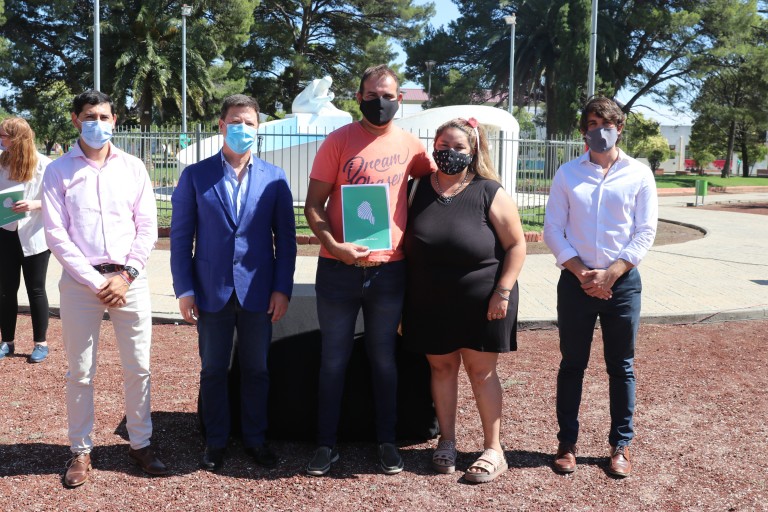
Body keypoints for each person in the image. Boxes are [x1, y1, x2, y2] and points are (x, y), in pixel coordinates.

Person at [303, 64, 436, 476]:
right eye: (374, 95)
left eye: (389, 96)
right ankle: (325, 444)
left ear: (400, 99)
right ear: (359, 97)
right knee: (333, 361)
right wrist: (334, 246)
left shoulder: (412, 146)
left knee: (384, 360)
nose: (382, 102)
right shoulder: (338, 141)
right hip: (337, 270)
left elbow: (440, 183)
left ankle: (387, 442)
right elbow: (313, 205)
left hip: (388, 273)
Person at [42, 90, 167, 487]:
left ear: (115, 120)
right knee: (80, 371)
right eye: (89, 116)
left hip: (130, 280)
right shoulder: (58, 171)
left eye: (104, 116)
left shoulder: (133, 167)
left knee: (139, 366)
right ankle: (80, 450)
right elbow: (56, 234)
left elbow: (147, 226)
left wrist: (126, 276)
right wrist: (97, 281)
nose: (98, 123)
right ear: (76, 120)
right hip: (82, 284)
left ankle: (140, 443)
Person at [170, 94, 297, 472]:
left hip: (259, 291)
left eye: (250, 123)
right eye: (236, 122)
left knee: (256, 370)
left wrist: (282, 288)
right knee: (213, 370)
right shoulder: (196, 175)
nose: (243, 129)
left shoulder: (275, 177)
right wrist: (185, 289)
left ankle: (255, 439)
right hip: (212, 291)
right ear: (222, 126)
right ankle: (216, 441)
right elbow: (181, 237)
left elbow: (286, 240)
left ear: (259, 129)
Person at [401, 118, 526, 483]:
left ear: (473, 151)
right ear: (433, 146)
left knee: (481, 372)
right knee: (441, 369)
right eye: (443, 146)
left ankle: (494, 449)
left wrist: (503, 291)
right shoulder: (415, 189)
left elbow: (517, 245)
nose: (449, 153)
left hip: (484, 300)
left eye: (458, 147)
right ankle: (447, 441)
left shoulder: (489, 190)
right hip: (428, 299)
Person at [543, 97, 658, 478]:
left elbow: (645, 231)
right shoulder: (567, 174)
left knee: (621, 366)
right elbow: (553, 229)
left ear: (619, 128)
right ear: (583, 131)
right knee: (572, 364)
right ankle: (567, 443)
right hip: (575, 282)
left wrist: (612, 273)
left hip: (622, 283)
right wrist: (582, 273)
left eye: (607, 124)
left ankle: (620, 444)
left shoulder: (639, 174)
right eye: (592, 124)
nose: (600, 131)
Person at [0, 117, 52, 363]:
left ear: (17, 138)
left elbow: (59, 201)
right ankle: (7, 342)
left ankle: (40, 343)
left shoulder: (45, 165)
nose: (1, 140)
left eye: (3, 136)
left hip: (35, 236)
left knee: (36, 289)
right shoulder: (1, 162)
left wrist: (34, 204)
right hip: (5, 232)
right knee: (6, 290)